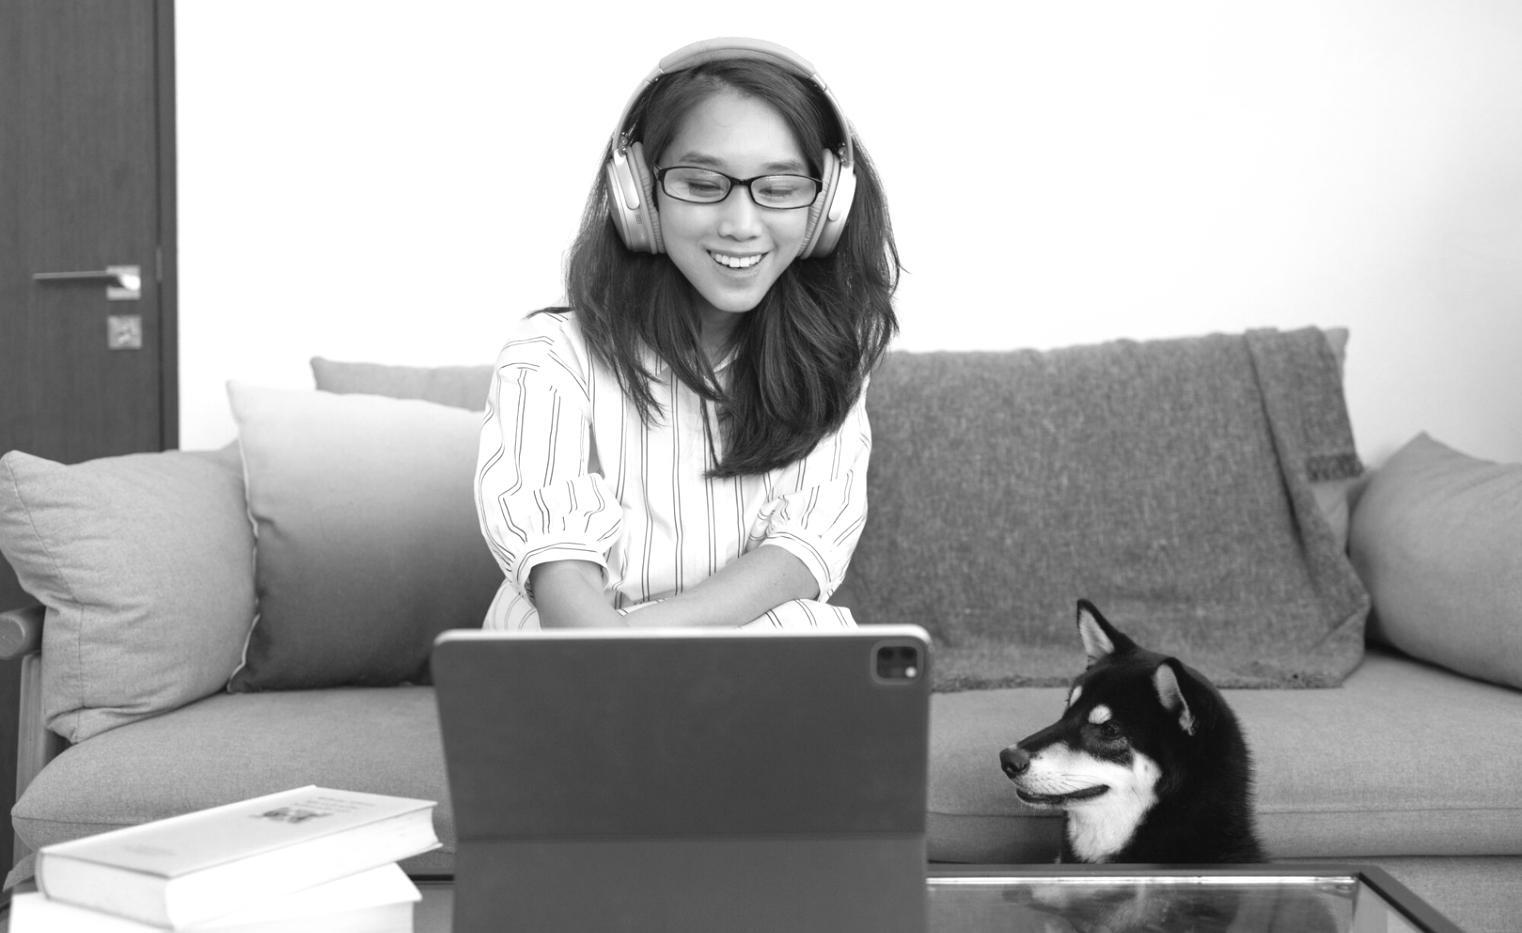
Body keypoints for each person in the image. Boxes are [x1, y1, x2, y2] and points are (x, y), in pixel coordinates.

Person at [475, 37, 900, 630]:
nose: (741, 225)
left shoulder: (830, 358)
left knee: (810, 629)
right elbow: (559, 569)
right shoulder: (548, 355)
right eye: (702, 185)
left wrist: (651, 637)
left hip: (726, 635)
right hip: (574, 638)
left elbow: (802, 551)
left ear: (828, 206)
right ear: (637, 195)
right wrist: (618, 651)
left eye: (779, 190)